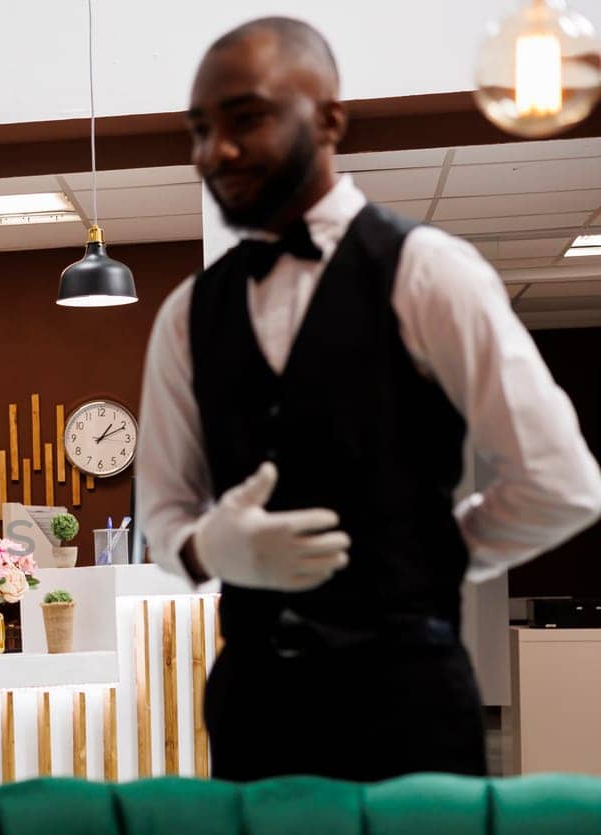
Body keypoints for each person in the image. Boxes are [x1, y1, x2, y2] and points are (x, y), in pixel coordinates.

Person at [136, 17, 601, 782]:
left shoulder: (431, 274)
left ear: (329, 120)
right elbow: (162, 511)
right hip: (254, 714)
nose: (212, 151)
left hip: (408, 711)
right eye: (198, 130)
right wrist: (211, 548)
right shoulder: (186, 315)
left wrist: (428, 558)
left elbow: (560, 482)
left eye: (244, 118)